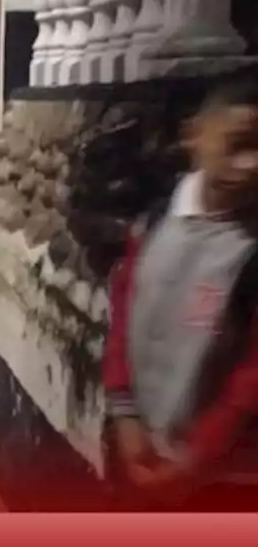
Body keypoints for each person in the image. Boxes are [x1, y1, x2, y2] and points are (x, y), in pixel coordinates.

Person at [103, 83, 259, 511]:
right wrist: (125, 412)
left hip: (222, 480)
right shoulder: (154, 224)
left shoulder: (251, 252)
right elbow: (124, 316)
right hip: (140, 450)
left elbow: (251, 378)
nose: (251, 165)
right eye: (239, 145)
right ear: (194, 136)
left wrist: (196, 459)